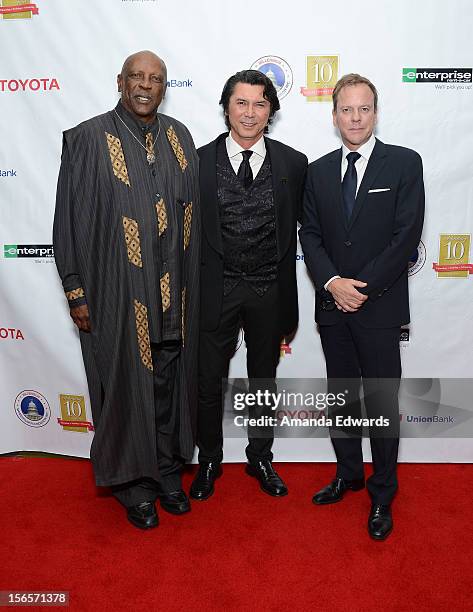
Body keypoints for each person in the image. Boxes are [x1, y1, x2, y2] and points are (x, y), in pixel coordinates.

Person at [53, 51, 200, 530]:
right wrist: (75, 290)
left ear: (164, 87)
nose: (145, 85)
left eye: (154, 79)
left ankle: (166, 472)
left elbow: (192, 220)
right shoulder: (86, 138)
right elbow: (66, 222)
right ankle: (132, 486)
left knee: (165, 384)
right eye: (136, 76)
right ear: (120, 81)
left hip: (171, 291)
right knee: (122, 388)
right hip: (114, 289)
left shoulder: (180, 137)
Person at [299, 74, 424, 540]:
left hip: (379, 306)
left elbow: (405, 237)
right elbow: (309, 234)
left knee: (380, 402)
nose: (355, 118)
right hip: (333, 307)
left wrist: (360, 288)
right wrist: (333, 283)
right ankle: (348, 474)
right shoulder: (317, 171)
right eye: (346, 110)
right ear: (334, 116)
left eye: (364, 109)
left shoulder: (405, 164)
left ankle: (383, 493)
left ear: (376, 112)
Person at [190, 70, 307, 501]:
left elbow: (310, 229)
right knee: (207, 383)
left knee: (263, 380)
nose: (250, 112)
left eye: (260, 103)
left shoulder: (293, 163)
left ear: (271, 110)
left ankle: (260, 456)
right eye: (241, 102)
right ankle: (209, 460)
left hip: (268, 291)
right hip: (214, 291)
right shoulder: (197, 161)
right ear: (226, 107)